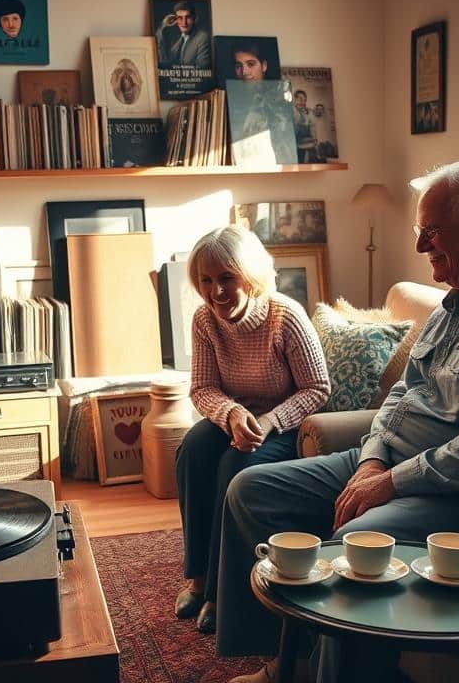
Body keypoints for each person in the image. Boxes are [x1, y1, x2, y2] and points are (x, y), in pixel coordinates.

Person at [219, 161, 459, 683]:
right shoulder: (453, 303)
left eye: (431, 232)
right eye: (421, 233)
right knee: (251, 490)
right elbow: (402, 393)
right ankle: (288, 663)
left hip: (454, 492)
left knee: (360, 546)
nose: (421, 247)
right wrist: (372, 457)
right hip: (385, 462)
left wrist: (390, 482)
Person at [175, 226, 330, 636]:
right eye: (206, 281)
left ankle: (220, 593)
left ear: (249, 274)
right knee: (192, 448)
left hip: (283, 424)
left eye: (226, 278)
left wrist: (268, 421)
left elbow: (318, 389)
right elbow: (203, 388)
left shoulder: (285, 316)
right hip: (235, 418)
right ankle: (198, 577)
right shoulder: (205, 320)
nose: (216, 292)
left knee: (235, 463)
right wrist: (229, 414)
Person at [156, 1, 210, 68]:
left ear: (194, 18)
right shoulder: (176, 41)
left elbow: (203, 69)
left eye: (188, 17)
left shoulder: (202, 37)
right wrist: (162, 25)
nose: (184, 23)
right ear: (175, 20)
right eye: (180, 18)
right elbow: (164, 62)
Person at [292, 89, 318, 162]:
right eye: (300, 99)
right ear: (294, 100)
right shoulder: (290, 112)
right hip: (293, 145)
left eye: (304, 100)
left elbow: (313, 129)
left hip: (306, 144)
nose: (302, 102)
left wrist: (314, 140)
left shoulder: (309, 113)